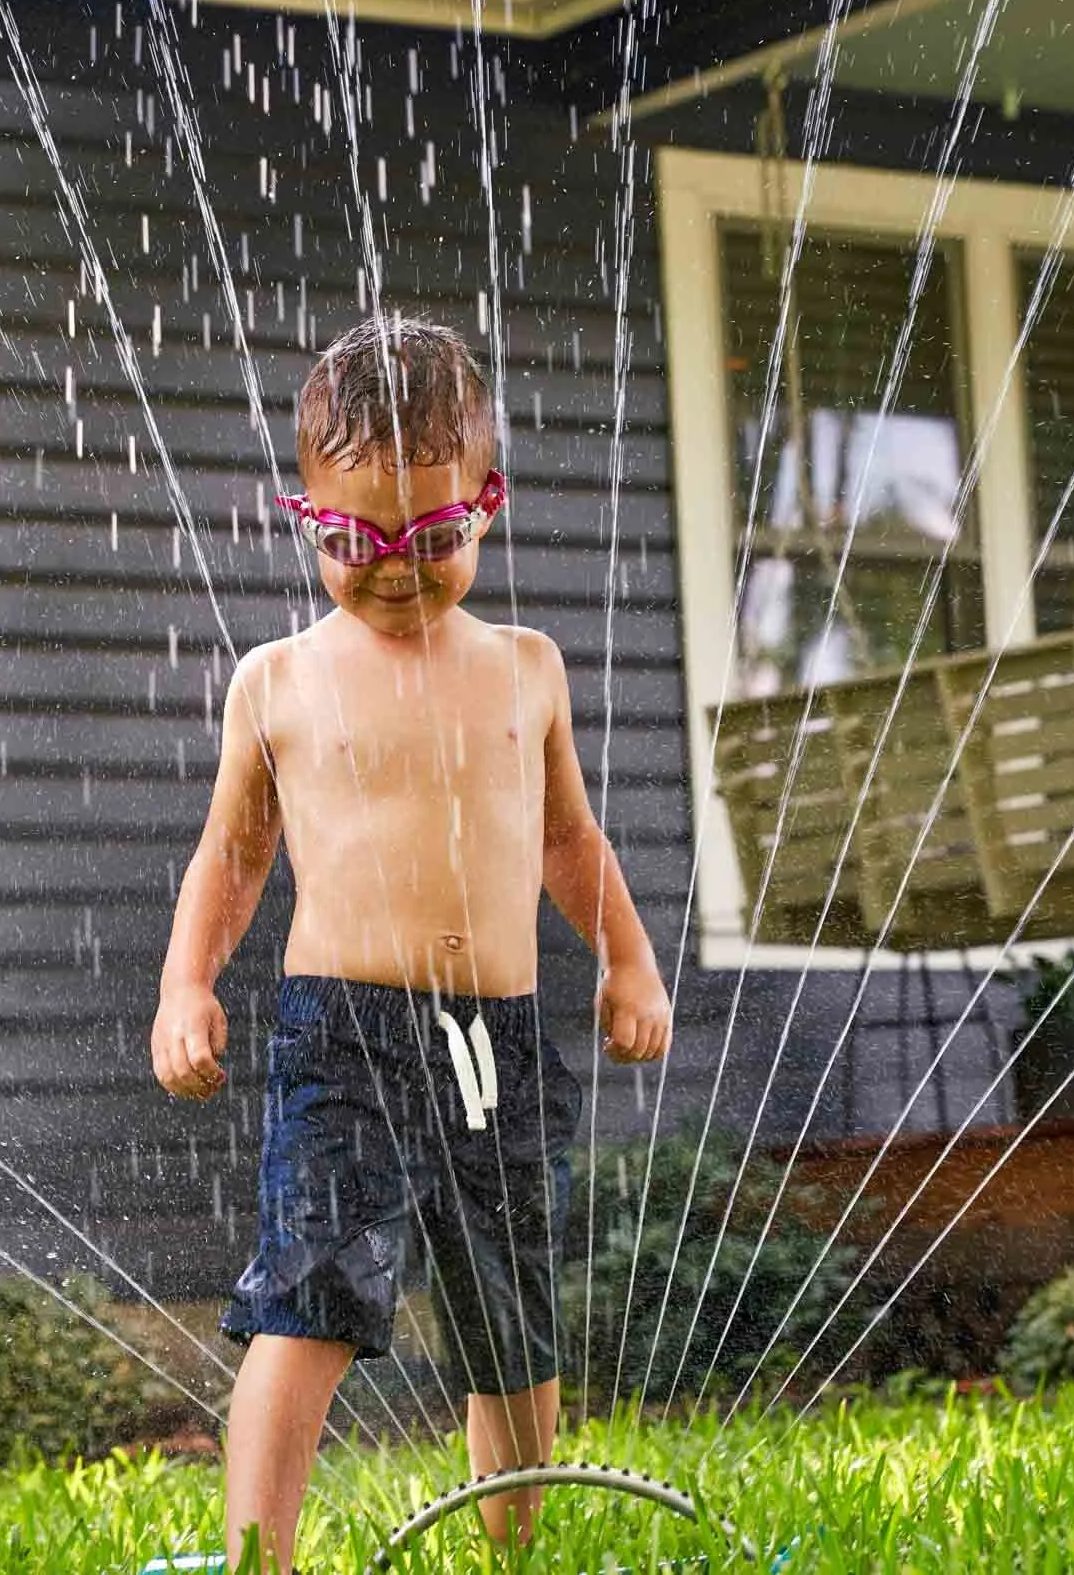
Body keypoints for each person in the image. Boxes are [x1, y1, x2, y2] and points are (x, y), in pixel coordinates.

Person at [149, 314, 674, 1573]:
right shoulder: (276, 679)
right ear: (307, 517)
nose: (396, 567)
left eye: (433, 536)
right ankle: (257, 1559)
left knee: (512, 1320)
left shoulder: (527, 668)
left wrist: (627, 956)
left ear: (485, 505)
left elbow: (567, 839)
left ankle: (512, 1549)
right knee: (309, 1297)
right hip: (347, 1031)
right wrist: (187, 980)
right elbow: (233, 855)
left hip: (496, 1032)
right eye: (355, 539)